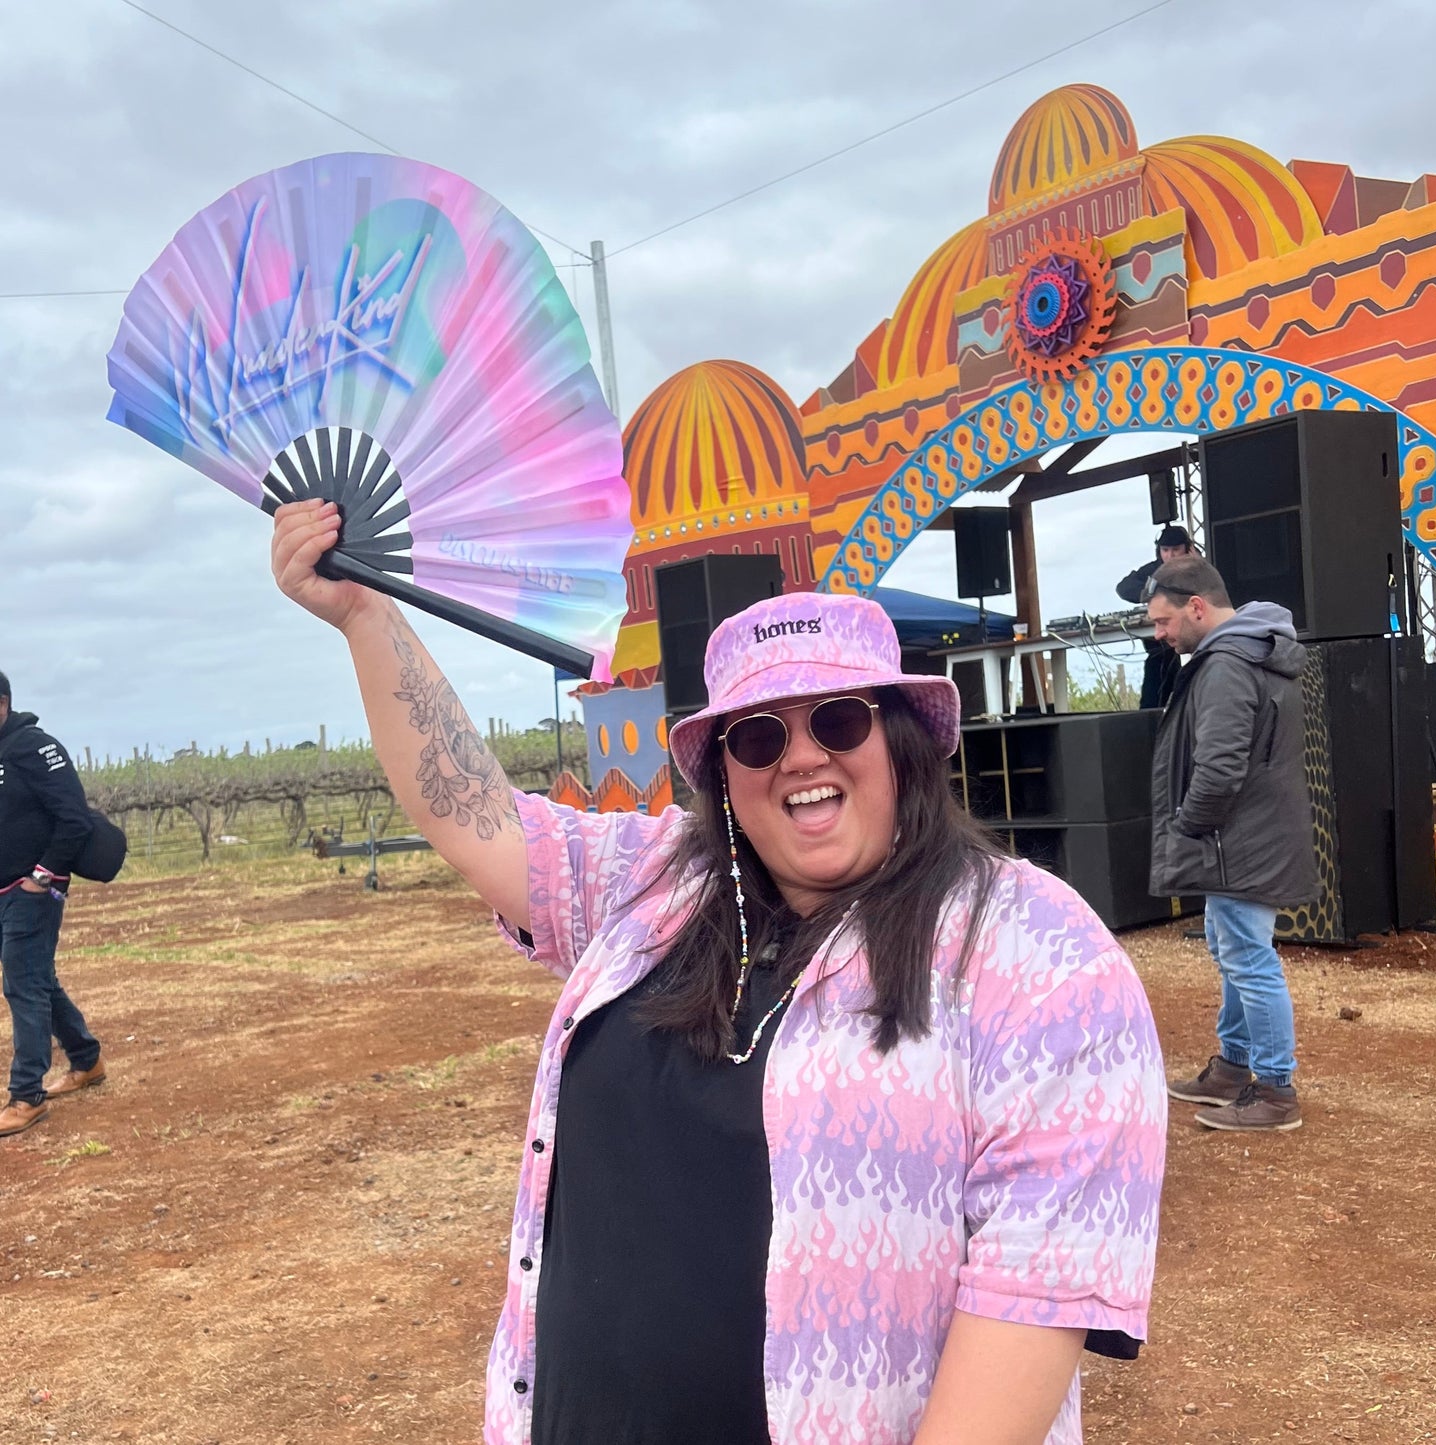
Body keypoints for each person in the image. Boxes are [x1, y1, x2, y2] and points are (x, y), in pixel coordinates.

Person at [272, 497, 1168, 1445]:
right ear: (725, 773)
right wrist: (368, 617)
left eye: (837, 718)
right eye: (757, 735)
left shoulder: (1035, 952)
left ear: (903, 737)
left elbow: (1030, 1296)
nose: (801, 755)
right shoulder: (655, 882)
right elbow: (476, 816)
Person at [1144, 557, 1316, 1133]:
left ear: (1197, 607)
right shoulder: (1253, 650)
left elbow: (1219, 769)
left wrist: (1187, 824)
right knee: (1234, 949)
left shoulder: (1225, 664)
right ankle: (1235, 1068)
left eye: (1164, 621)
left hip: (1239, 841)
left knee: (1247, 957)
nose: (1159, 634)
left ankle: (1275, 1090)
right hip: (1250, 836)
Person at [0, 671, 106, 1139]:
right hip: (4, 891)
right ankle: (87, 1061)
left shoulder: (34, 746)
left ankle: (27, 1096)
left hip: (33, 891)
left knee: (22, 985)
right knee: (39, 980)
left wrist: (41, 878)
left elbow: (75, 818)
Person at [1116, 524, 1199, 709]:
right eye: (1165, 550)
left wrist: (1197, 566)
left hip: (1191, 636)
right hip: (1161, 642)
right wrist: (1154, 594)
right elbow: (1123, 587)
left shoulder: (1198, 568)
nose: (1170, 555)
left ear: (1187, 549)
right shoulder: (1153, 570)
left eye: (1176, 550)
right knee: (1157, 667)